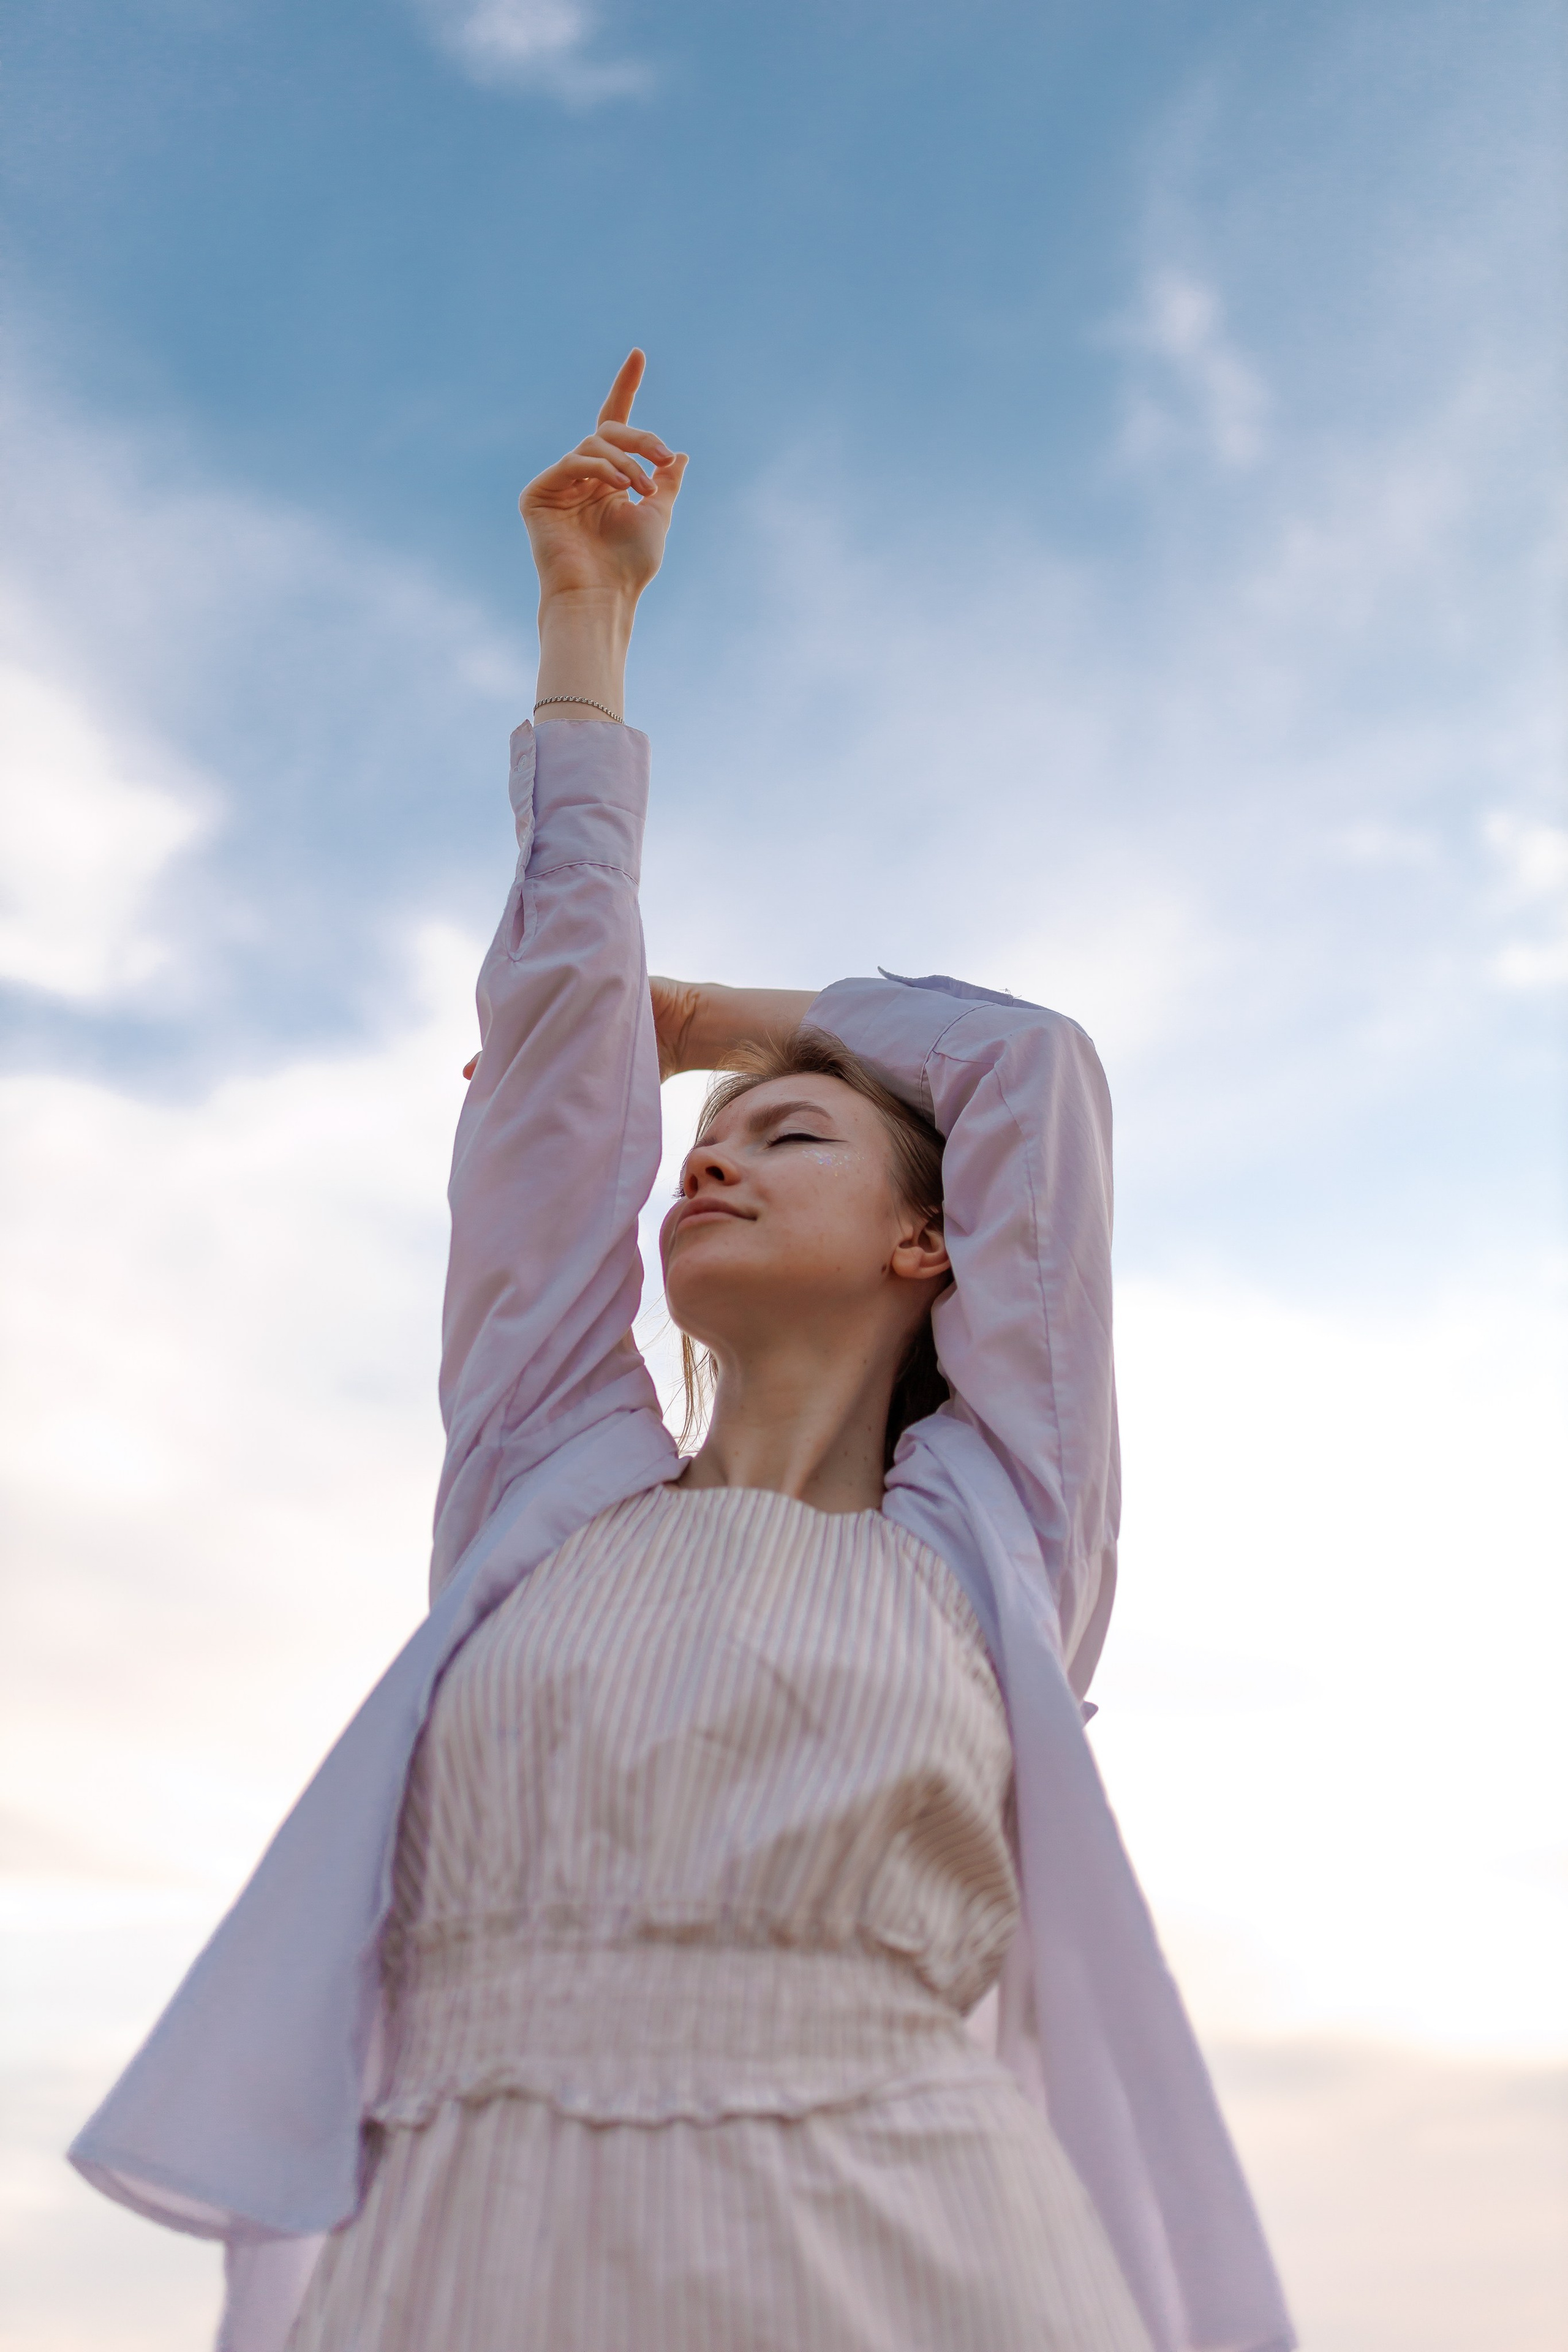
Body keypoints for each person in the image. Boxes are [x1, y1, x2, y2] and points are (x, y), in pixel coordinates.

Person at [70, 355, 1294, 2352]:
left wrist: (712, 1018)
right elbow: (546, 1106)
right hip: (480, 2237)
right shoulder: (547, 1481)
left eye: (781, 1137)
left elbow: (1026, 1063)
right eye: (698, 1148)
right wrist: (585, 624)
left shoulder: (997, 1535)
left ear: (934, 1243)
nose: (704, 1158)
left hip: (919, 2244)